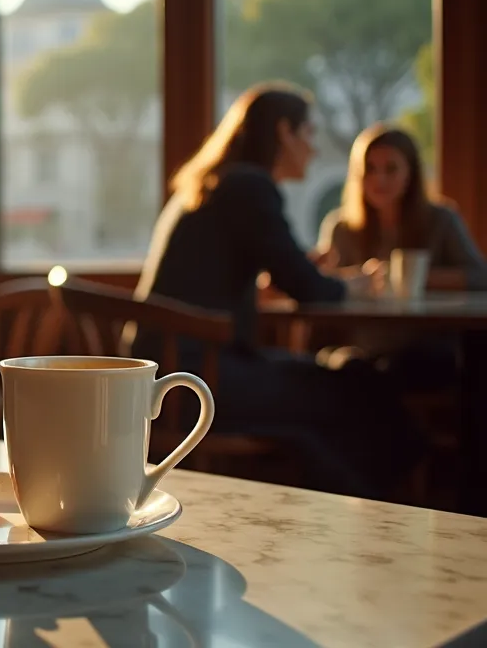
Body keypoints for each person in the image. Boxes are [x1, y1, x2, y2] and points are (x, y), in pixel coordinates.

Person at [129, 82, 423, 499]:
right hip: (198, 381)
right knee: (356, 385)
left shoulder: (214, 183)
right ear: (284, 132)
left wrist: (290, 280)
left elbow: (239, 274)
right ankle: (391, 508)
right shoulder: (250, 186)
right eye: (308, 133)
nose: (313, 147)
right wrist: (351, 284)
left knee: (344, 382)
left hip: (172, 373)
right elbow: (311, 290)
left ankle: (360, 503)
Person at [314, 123, 485, 388]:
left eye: (391, 169)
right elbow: (323, 287)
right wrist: (350, 278)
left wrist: (415, 278)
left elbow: (480, 278)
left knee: (403, 368)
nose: (379, 179)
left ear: (410, 175)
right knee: (341, 366)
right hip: (361, 348)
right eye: (370, 169)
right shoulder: (341, 228)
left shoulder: (441, 219)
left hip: (424, 347)